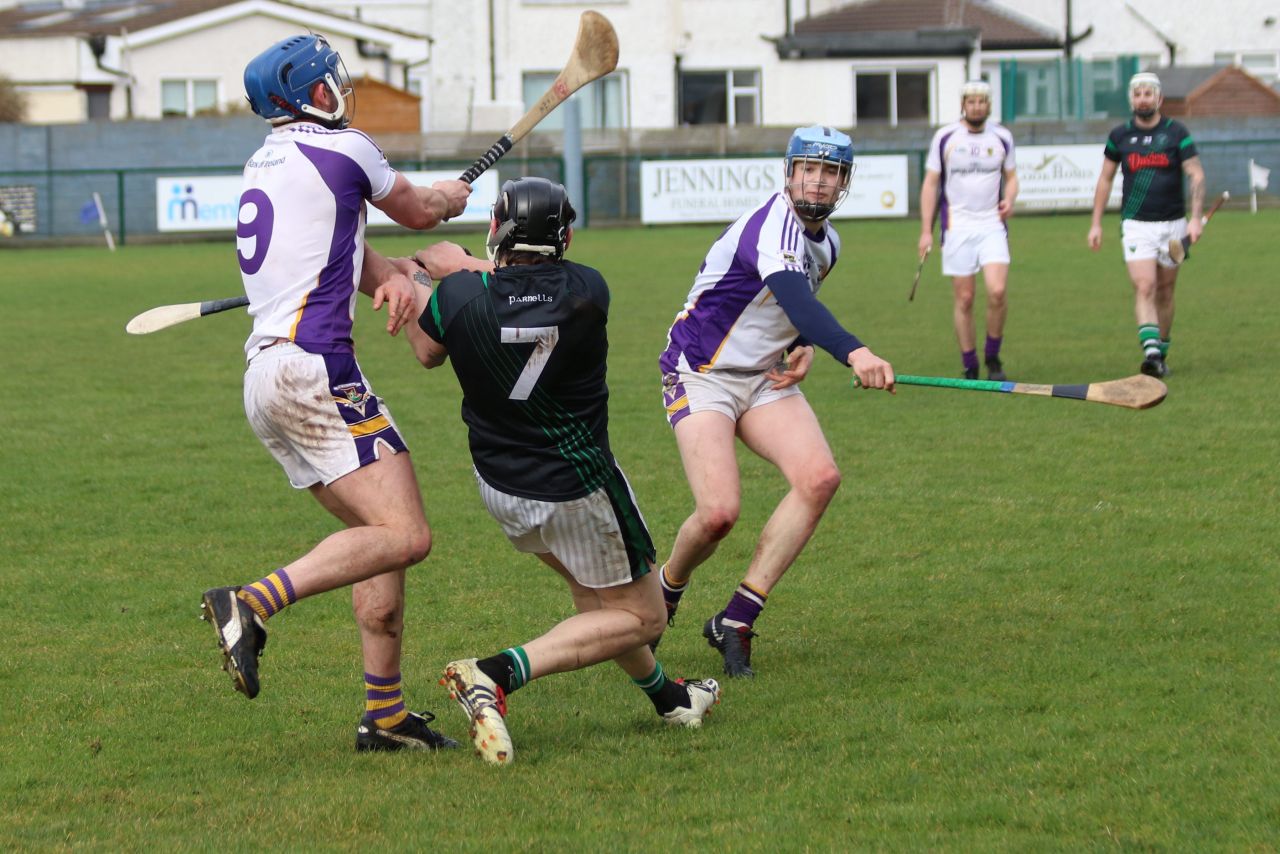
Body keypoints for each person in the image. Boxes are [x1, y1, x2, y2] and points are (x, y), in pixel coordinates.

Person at [199, 33, 471, 753]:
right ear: (311, 95)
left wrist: (389, 275)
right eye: (329, 81)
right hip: (316, 372)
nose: (338, 89)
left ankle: (384, 716)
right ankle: (249, 602)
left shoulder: (267, 161)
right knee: (406, 536)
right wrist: (451, 197)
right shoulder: (343, 144)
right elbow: (417, 210)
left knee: (376, 539)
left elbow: (343, 247)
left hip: (268, 378)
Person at [393, 176, 721, 765]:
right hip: (576, 490)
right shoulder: (588, 290)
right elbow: (522, 290)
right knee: (642, 617)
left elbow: (426, 350)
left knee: (594, 597)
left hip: (500, 488)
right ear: (566, 236)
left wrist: (426, 277)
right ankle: (492, 674)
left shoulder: (458, 299)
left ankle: (670, 699)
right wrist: (462, 266)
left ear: (496, 230)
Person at [657, 126, 895, 678]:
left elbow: (788, 309)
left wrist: (801, 342)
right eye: (808, 168)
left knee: (819, 478)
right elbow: (790, 291)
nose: (817, 180)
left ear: (843, 183)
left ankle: (736, 619)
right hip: (701, 371)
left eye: (830, 171)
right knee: (718, 513)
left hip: (764, 378)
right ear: (789, 173)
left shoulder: (828, 243)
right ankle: (667, 587)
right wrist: (853, 351)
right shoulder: (770, 227)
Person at [1088, 71, 1204, 379]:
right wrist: (1095, 223)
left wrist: (1195, 218)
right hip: (1137, 224)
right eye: (1138, 94)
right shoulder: (1119, 136)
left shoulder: (1177, 133)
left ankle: (1161, 352)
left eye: (1148, 94)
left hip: (1175, 226)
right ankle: (1151, 352)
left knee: (1166, 290)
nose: (1143, 99)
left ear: (1159, 99)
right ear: (1131, 100)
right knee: (1145, 285)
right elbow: (1105, 179)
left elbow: (1196, 174)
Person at [918, 80, 1019, 381]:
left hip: (991, 224)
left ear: (989, 105)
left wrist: (1010, 199)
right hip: (957, 226)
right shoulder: (946, 137)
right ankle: (970, 362)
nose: (977, 106)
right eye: (971, 101)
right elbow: (931, 184)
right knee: (964, 299)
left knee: (998, 291)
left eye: (982, 101)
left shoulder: (1002, 136)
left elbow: (1012, 177)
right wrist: (926, 231)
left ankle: (993, 357)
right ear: (963, 104)